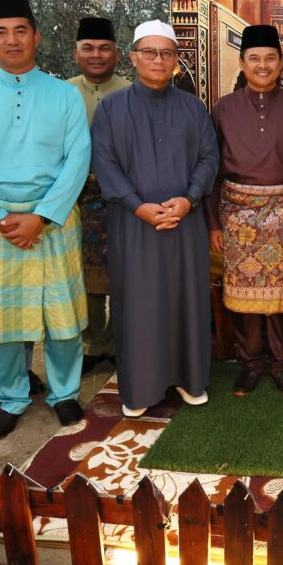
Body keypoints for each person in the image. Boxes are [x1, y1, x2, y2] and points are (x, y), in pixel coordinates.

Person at [0, 0, 93, 438]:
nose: (12, 40)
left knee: (62, 316)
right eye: (2, 32)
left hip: (53, 221)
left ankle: (64, 394)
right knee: (4, 320)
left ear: (36, 36)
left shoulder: (64, 95)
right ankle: (11, 398)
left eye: (21, 31)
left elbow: (78, 159)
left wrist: (42, 216)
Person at [91, 20, 219, 416]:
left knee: (187, 300)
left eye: (167, 53)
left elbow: (209, 158)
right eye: (149, 52)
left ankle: (189, 378)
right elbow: (104, 164)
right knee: (139, 304)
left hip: (185, 224)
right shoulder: (111, 109)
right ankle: (142, 387)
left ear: (176, 60)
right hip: (134, 226)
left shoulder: (193, 108)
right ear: (133, 58)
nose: (158, 60)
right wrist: (137, 205)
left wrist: (189, 199)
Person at [207, 25, 283, 396]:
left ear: (281, 64)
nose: (263, 65)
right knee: (244, 297)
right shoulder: (223, 109)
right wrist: (213, 223)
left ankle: (280, 364)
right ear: (242, 63)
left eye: (270, 58)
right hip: (238, 218)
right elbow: (211, 172)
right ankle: (251, 364)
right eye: (254, 58)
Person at [67, 16, 132, 371]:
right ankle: (92, 345)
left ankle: (120, 341)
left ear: (117, 54)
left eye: (104, 48)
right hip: (75, 194)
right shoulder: (63, 93)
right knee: (84, 274)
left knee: (124, 270)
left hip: (123, 195)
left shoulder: (132, 91)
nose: (96, 55)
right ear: (76, 54)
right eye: (88, 48)